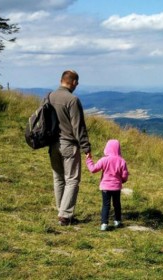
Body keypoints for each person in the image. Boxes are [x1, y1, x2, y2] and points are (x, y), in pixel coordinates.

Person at [49, 70, 91, 226]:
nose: (77, 86)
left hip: (53, 144)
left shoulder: (49, 96)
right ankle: (65, 216)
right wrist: (86, 147)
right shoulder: (72, 100)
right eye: (77, 83)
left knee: (58, 178)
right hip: (69, 144)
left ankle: (61, 210)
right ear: (73, 82)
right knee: (72, 179)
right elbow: (78, 126)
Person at [86, 139, 129, 231]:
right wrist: (122, 181)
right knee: (117, 204)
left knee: (106, 205)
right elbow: (125, 175)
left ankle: (104, 223)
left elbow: (93, 169)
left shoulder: (104, 160)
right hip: (116, 187)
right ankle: (117, 221)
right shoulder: (122, 161)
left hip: (105, 187)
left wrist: (89, 160)